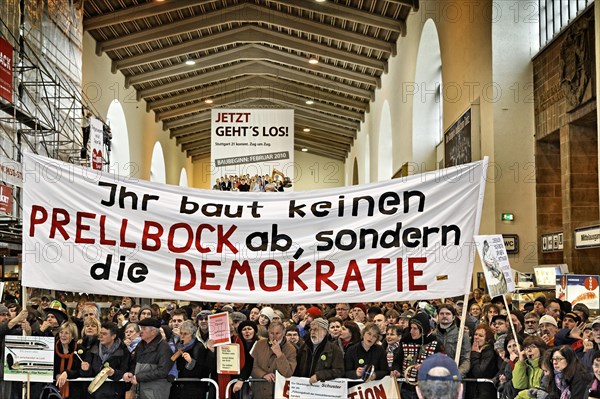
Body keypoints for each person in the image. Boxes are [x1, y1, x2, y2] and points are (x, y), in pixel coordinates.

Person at [392, 312, 444, 399]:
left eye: (415, 329)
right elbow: (397, 360)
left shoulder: (435, 343)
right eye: (410, 328)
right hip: (406, 388)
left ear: (423, 330)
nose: (411, 331)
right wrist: (396, 370)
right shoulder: (405, 341)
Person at [123, 317, 174, 399]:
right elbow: (134, 363)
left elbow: (162, 371)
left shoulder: (164, 348)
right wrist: (130, 373)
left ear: (153, 332)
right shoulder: (140, 345)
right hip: (140, 390)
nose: (141, 331)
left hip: (156, 392)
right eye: (140, 328)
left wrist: (139, 377)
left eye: (144, 328)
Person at [81, 321, 130, 399]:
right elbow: (86, 373)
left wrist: (114, 373)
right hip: (94, 394)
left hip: (114, 394)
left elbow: (126, 371)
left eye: (104, 334)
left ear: (113, 336)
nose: (100, 336)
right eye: (100, 333)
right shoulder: (93, 348)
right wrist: (86, 369)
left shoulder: (123, 351)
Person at [250, 321, 297, 399]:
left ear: (284, 332)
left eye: (277, 333)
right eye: (272, 333)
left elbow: (288, 373)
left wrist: (279, 354)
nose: (274, 336)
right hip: (258, 391)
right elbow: (252, 365)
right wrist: (263, 374)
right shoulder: (260, 344)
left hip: (277, 393)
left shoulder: (291, 349)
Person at [168, 320, 210, 399]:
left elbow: (204, 370)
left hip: (193, 390)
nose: (182, 336)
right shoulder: (179, 346)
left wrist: (191, 362)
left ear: (193, 335)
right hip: (178, 388)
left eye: (185, 334)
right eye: (181, 333)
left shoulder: (199, 347)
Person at [294, 317, 344, 383]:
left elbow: (339, 371)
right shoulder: (304, 347)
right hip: (303, 387)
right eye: (311, 330)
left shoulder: (334, 349)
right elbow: (296, 367)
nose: (313, 332)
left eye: (316, 330)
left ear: (325, 332)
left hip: (322, 388)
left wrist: (320, 375)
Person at [434, 304, 471, 377]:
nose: (444, 316)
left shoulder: (462, 335)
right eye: (441, 313)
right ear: (438, 316)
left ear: (453, 317)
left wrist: (457, 374)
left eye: (448, 314)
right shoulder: (432, 336)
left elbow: (466, 359)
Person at [465, 324, 498, 399]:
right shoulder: (471, 349)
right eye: (476, 334)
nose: (477, 337)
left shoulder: (489, 352)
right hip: (474, 390)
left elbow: (478, 372)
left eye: (481, 336)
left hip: (484, 392)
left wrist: (475, 354)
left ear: (488, 339)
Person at [54, 322, 84, 399]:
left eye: (66, 333)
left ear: (73, 336)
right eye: (61, 332)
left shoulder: (80, 350)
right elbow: (49, 368)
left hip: (75, 392)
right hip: (54, 391)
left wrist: (66, 373)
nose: (63, 335)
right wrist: (56, 375)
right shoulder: (53, 349)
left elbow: (80, 371)